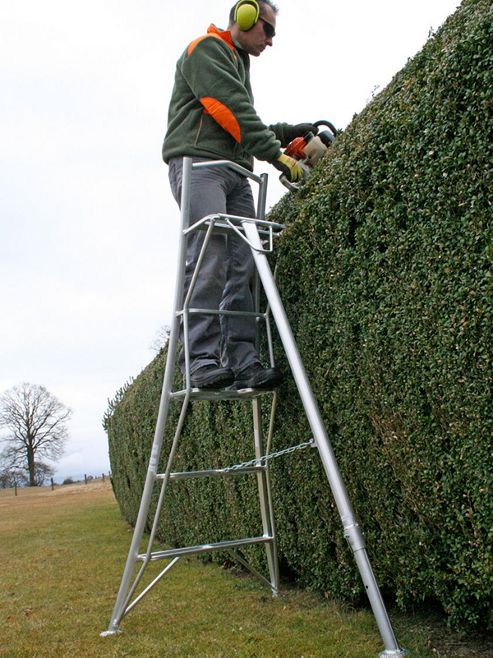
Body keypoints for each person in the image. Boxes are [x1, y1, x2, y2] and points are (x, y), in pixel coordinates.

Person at [162, 0, 317, 390]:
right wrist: (279, 157)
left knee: (245, 263)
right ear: (245, 17)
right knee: (209, 257)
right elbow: (231, 113)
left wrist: (286, 133)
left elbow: (241, 123)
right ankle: (199, 360)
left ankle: (243, 362)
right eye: (268, 29)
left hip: (236, 173)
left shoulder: (237, 63)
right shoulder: (206, 50)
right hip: (200, 167)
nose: (270, 40)